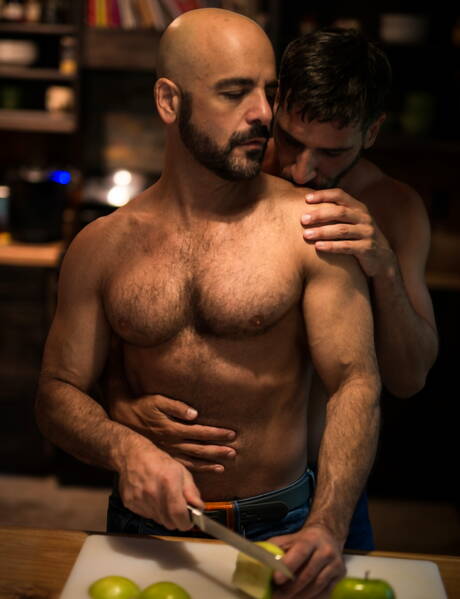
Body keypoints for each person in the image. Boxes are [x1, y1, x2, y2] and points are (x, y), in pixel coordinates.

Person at [36, 12, 381, 598]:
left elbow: (356, 381)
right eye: (233, 92)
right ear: (170, 102)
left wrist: (329, 522)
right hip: (146, 526)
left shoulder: (310, 226)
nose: (263, 113)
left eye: (268, 91)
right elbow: (56, 393)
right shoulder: (101, 246)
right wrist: (125, 447)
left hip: (285, 525)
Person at [106, 27, 438, 551]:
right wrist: (120, 404)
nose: (302, 171)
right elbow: (143, 307)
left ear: (371, 132)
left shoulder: (394, 208)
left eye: (331, 153)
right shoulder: (231, 170)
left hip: (331, 478)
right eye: (291, 140)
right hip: (218, 483)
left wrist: (386, 269)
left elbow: (409, 377)